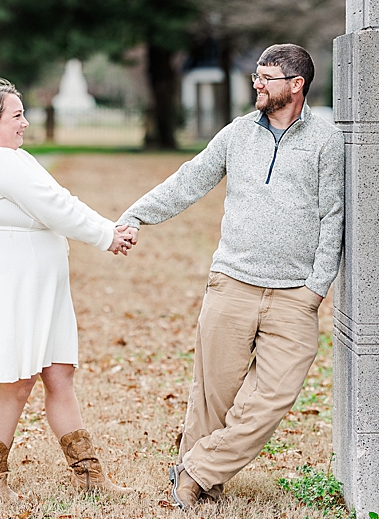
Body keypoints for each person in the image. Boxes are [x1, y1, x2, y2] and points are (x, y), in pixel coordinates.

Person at [117, 44, 344, 510]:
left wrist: (315, 290)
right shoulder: (238, 133)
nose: (256, 83)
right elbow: (189, 180)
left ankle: (196, 469)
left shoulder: (326, 141)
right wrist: (136, 215)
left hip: (294, 296)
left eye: (266, 77)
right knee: (212, 397)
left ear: (295, 85)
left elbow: (333, 218)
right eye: (256, 75)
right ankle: (202, 486)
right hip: (233, 285)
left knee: (275, 396)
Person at [0, 78, 135, 500]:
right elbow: (55, 208)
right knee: (18, 379)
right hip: (14, 280)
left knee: (59, 374)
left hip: (39, 280)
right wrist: (107, 235)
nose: (25, 123)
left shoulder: (13, 158)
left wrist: (106, 227)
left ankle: (89, 478)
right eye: (17, 116)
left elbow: (59, 197)